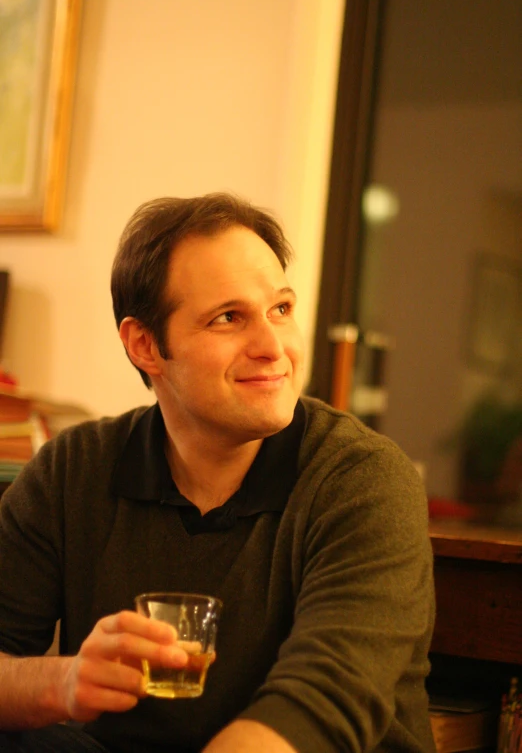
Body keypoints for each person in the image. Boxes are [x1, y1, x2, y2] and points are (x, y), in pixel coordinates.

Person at [0, 193, 436, 753]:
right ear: (145, 345)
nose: (274, 347)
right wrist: (64, 683)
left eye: (281, 309)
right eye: (229, 318)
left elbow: (320, 704)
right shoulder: (73, 469)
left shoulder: (363, 480)